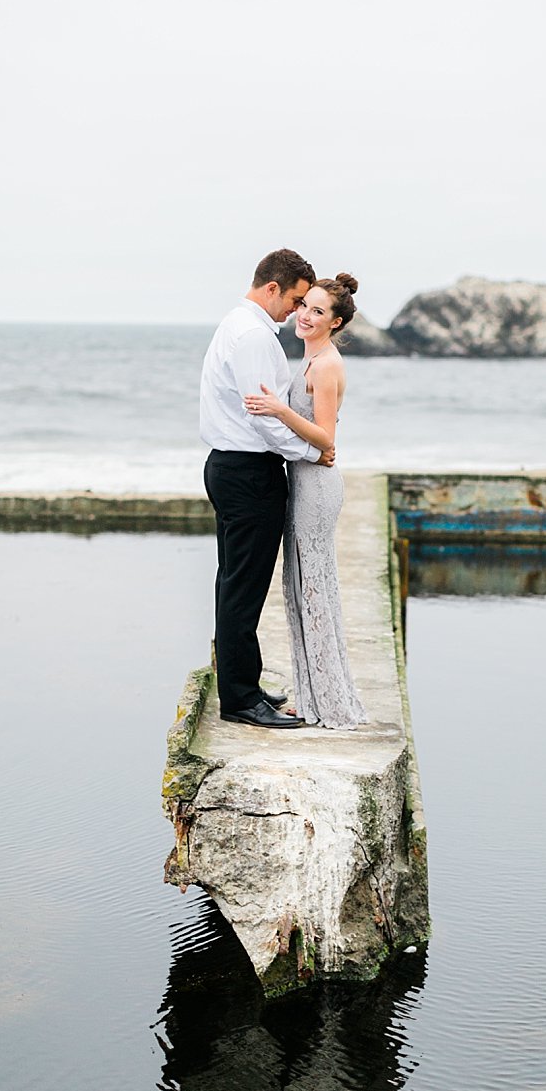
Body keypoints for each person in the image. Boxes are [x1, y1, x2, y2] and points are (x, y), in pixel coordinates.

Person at [199, 248, 336, 730]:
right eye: (297, 300)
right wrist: (311, 453)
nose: (298, 312)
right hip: (248, 471)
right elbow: (265, 418)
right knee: (243, 586)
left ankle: (245, 685)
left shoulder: (237, 323)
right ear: (273, 288)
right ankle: (239, 699)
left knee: (236, 581)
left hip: (231, 467)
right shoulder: (255, 334)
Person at [244, 274, 367, 730]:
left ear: (335, 322)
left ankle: (328, 703)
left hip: (316, 489)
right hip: (305, 482)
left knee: (312, 590)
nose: (306, 316)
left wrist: (279, 409)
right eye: (304, 306)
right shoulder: (310, 359)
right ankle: (314, 695)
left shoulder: (327, 365)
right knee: (300, 590)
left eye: (318, 312)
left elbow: (325, 439)